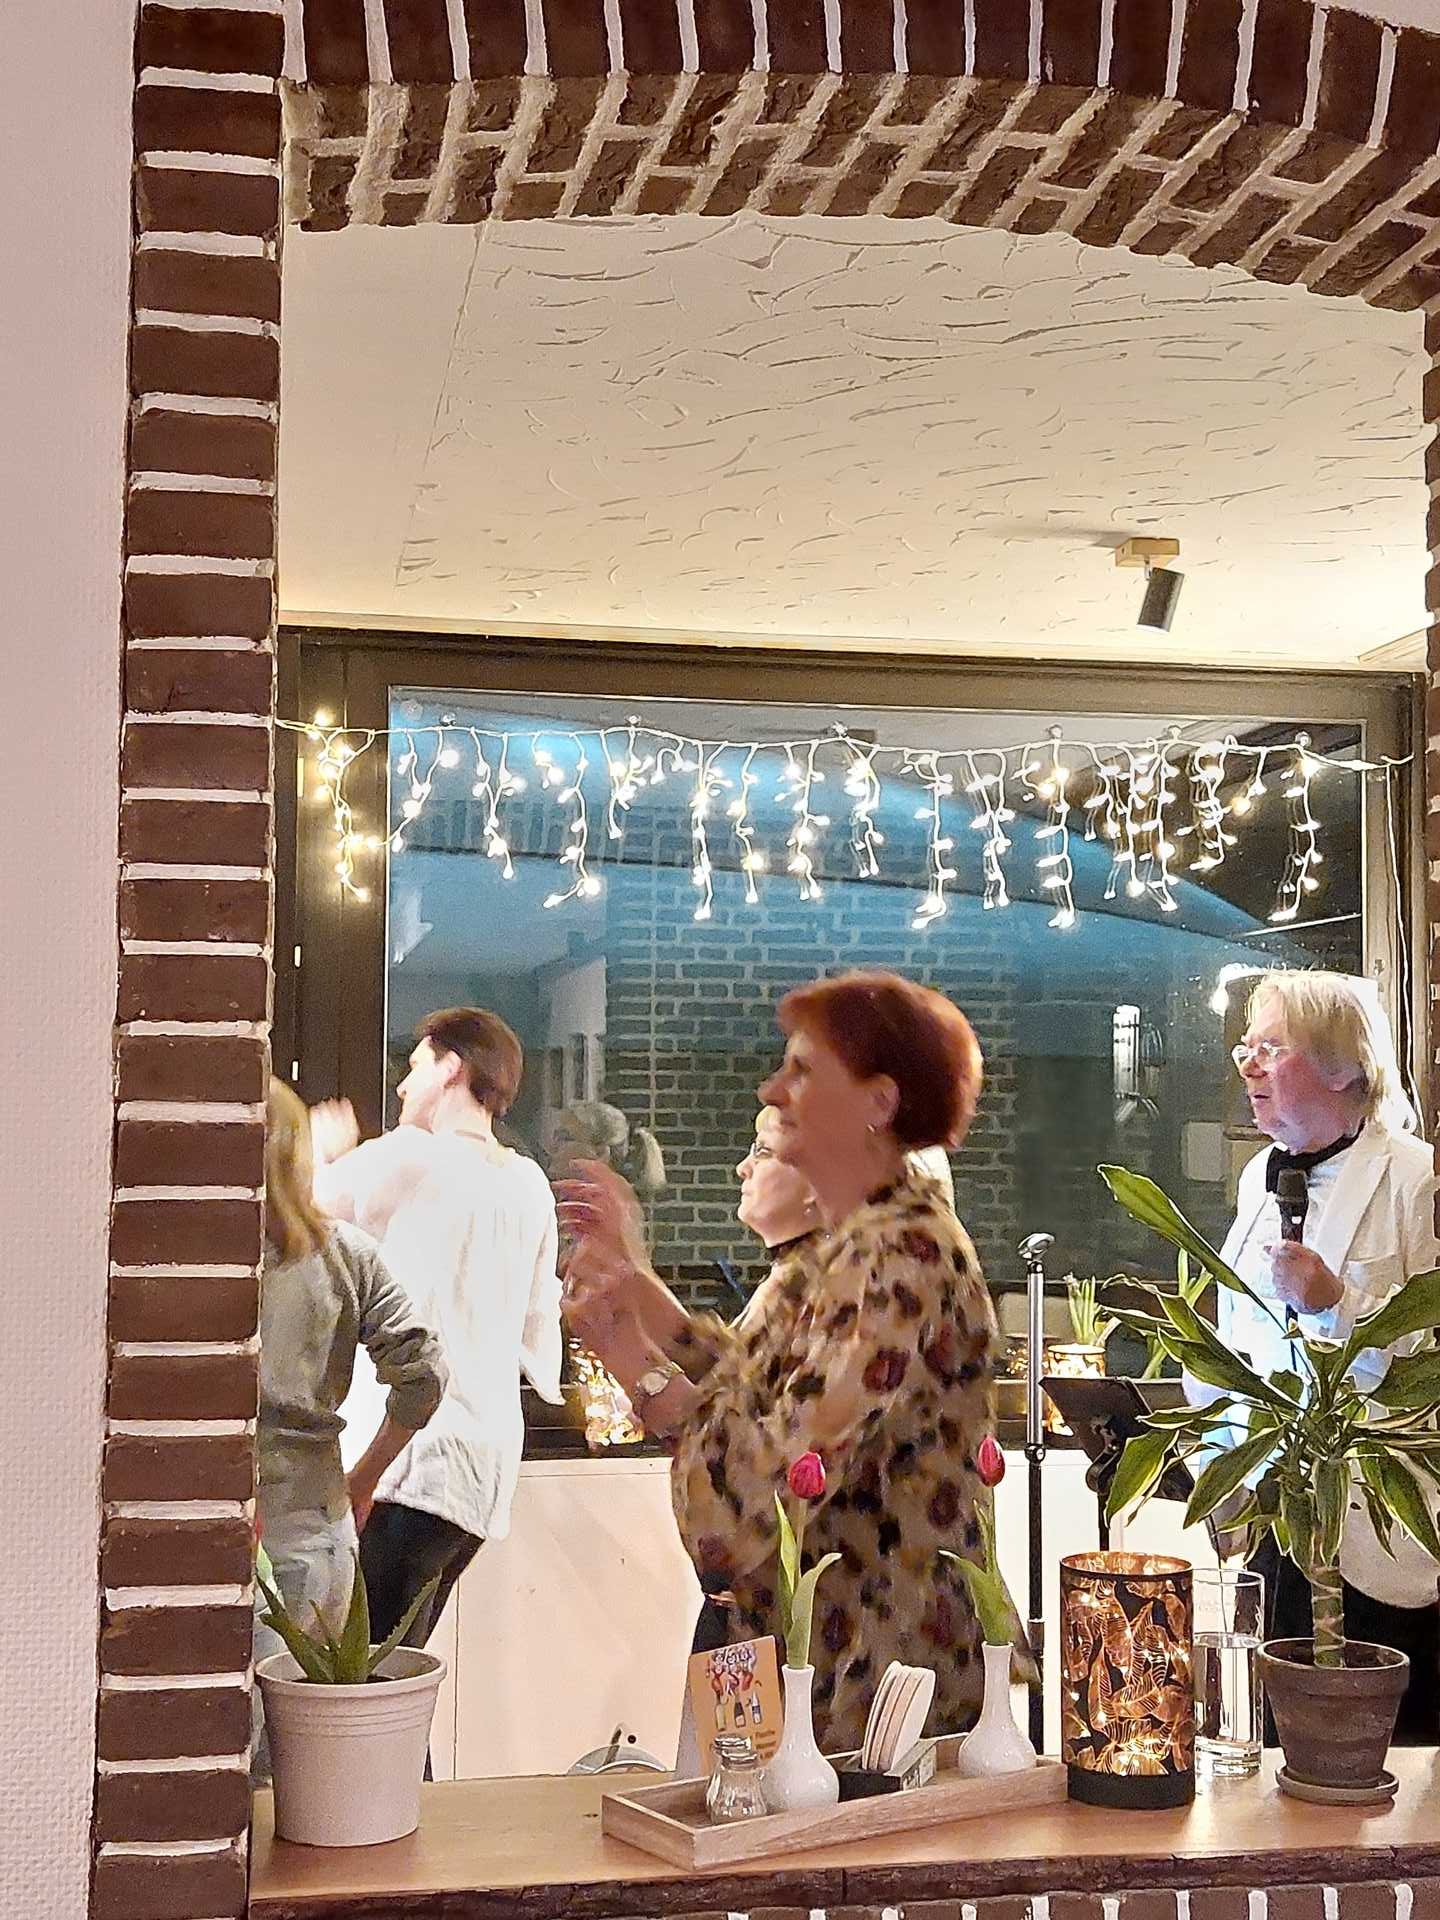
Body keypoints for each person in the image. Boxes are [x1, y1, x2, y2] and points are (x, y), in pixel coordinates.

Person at [560, 970, 1008, 1752]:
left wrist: (628, 1355)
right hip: (830, 1670)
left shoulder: (900, 1255)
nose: (772, 1090)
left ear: (878, 1103)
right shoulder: (848, 1245)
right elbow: (747, 1375)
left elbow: (760, 1494)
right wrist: (633, 1286)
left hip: (876, 1691)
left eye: (802, 1071)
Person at [1204, 969, 1439, 1741]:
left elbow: (1429, 1356)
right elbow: (1239, 1339)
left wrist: (1338, 1302)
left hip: (1380, 1532)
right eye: (1246, 1047)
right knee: (1280, 1753)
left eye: (1272, 1047)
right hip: (1278, 1520)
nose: (1249, 1064)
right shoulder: (1259, 1179)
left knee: (1384, 1761)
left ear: (1343, 1068)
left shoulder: (1415, 1177)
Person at [310, 1008, 563, 1648]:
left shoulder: (410, 1158)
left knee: (360, 1677)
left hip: (409, 1464)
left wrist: (320, 1148)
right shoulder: (530, 1184)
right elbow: (539, 1325)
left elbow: (299, 1214)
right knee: (398, 1665)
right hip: (483, 1471)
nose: (403, 1085)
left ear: (452, 1068)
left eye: (416, 1065)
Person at [254, 1079, 448, 1773]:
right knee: (300, 1761)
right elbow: (425, 1374)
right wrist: (364, 1478)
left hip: (209, 1527)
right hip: (312, 1523)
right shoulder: (346, 1254)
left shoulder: (190, 1267)